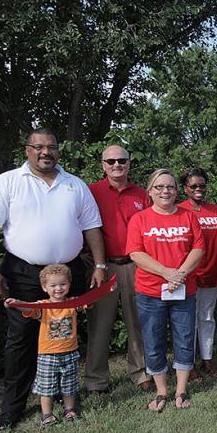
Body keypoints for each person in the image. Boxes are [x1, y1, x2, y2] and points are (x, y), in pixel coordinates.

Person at [0, 128, 106, 431]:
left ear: (58, 151)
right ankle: (12, 409)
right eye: (38, 147)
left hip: (68, 273)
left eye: (51, 147)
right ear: (27, 150)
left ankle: (65, 398)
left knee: (65, 336)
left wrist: (99, 264)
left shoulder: (75, 185)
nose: (45, 152)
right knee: (20, 340)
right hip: (23, 273)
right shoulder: (7, 183)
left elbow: (92, 228)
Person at [126, 169, 205, 411]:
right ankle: (161, 391)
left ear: (177, 190)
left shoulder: (188, 217)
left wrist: (179, 274)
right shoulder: (140, 219)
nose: (165, 191)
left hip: (183, 290)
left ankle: (181, 390)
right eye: (159, 187)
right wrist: (166, 273)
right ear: (150, 192)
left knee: (185, 338)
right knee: (153, 340)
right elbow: (135, 253)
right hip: (150, 291)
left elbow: (199, 248)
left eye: (170, 186)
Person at [85, 144, 152, 394]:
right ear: (103, 165)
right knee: (100, 324)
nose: (117, 165)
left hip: (137, 265)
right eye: (111, 161)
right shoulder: (91, 192)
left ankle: (141, 371)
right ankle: (96, 380)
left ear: (129, 163)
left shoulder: (142, 194)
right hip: (104, 266)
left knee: (138, 321)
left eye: (121, 160)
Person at [4, 264, 86, 429]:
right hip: (48, 355)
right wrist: (17, 303)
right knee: (47, 386)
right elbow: (28, 308)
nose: (58, 288)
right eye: (53, 285)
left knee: (69, 385)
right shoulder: (43, 305)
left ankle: (69, 411)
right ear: (44, 287)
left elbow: (89, 302)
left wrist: (107, 289)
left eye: (63, 284)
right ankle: (47, 416)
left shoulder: (72, 302)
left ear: (69, 284)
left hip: (70, 352)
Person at [178, 167, 217, 379]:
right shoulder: (179, 210)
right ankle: (189, 362)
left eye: (202, 185)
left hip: (213, 273)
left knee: (207, 318)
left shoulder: (214, 210)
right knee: (189, 321)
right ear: (185, 188)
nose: (198, 189)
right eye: (193, 186)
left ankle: (207, 358)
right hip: (190, 275)